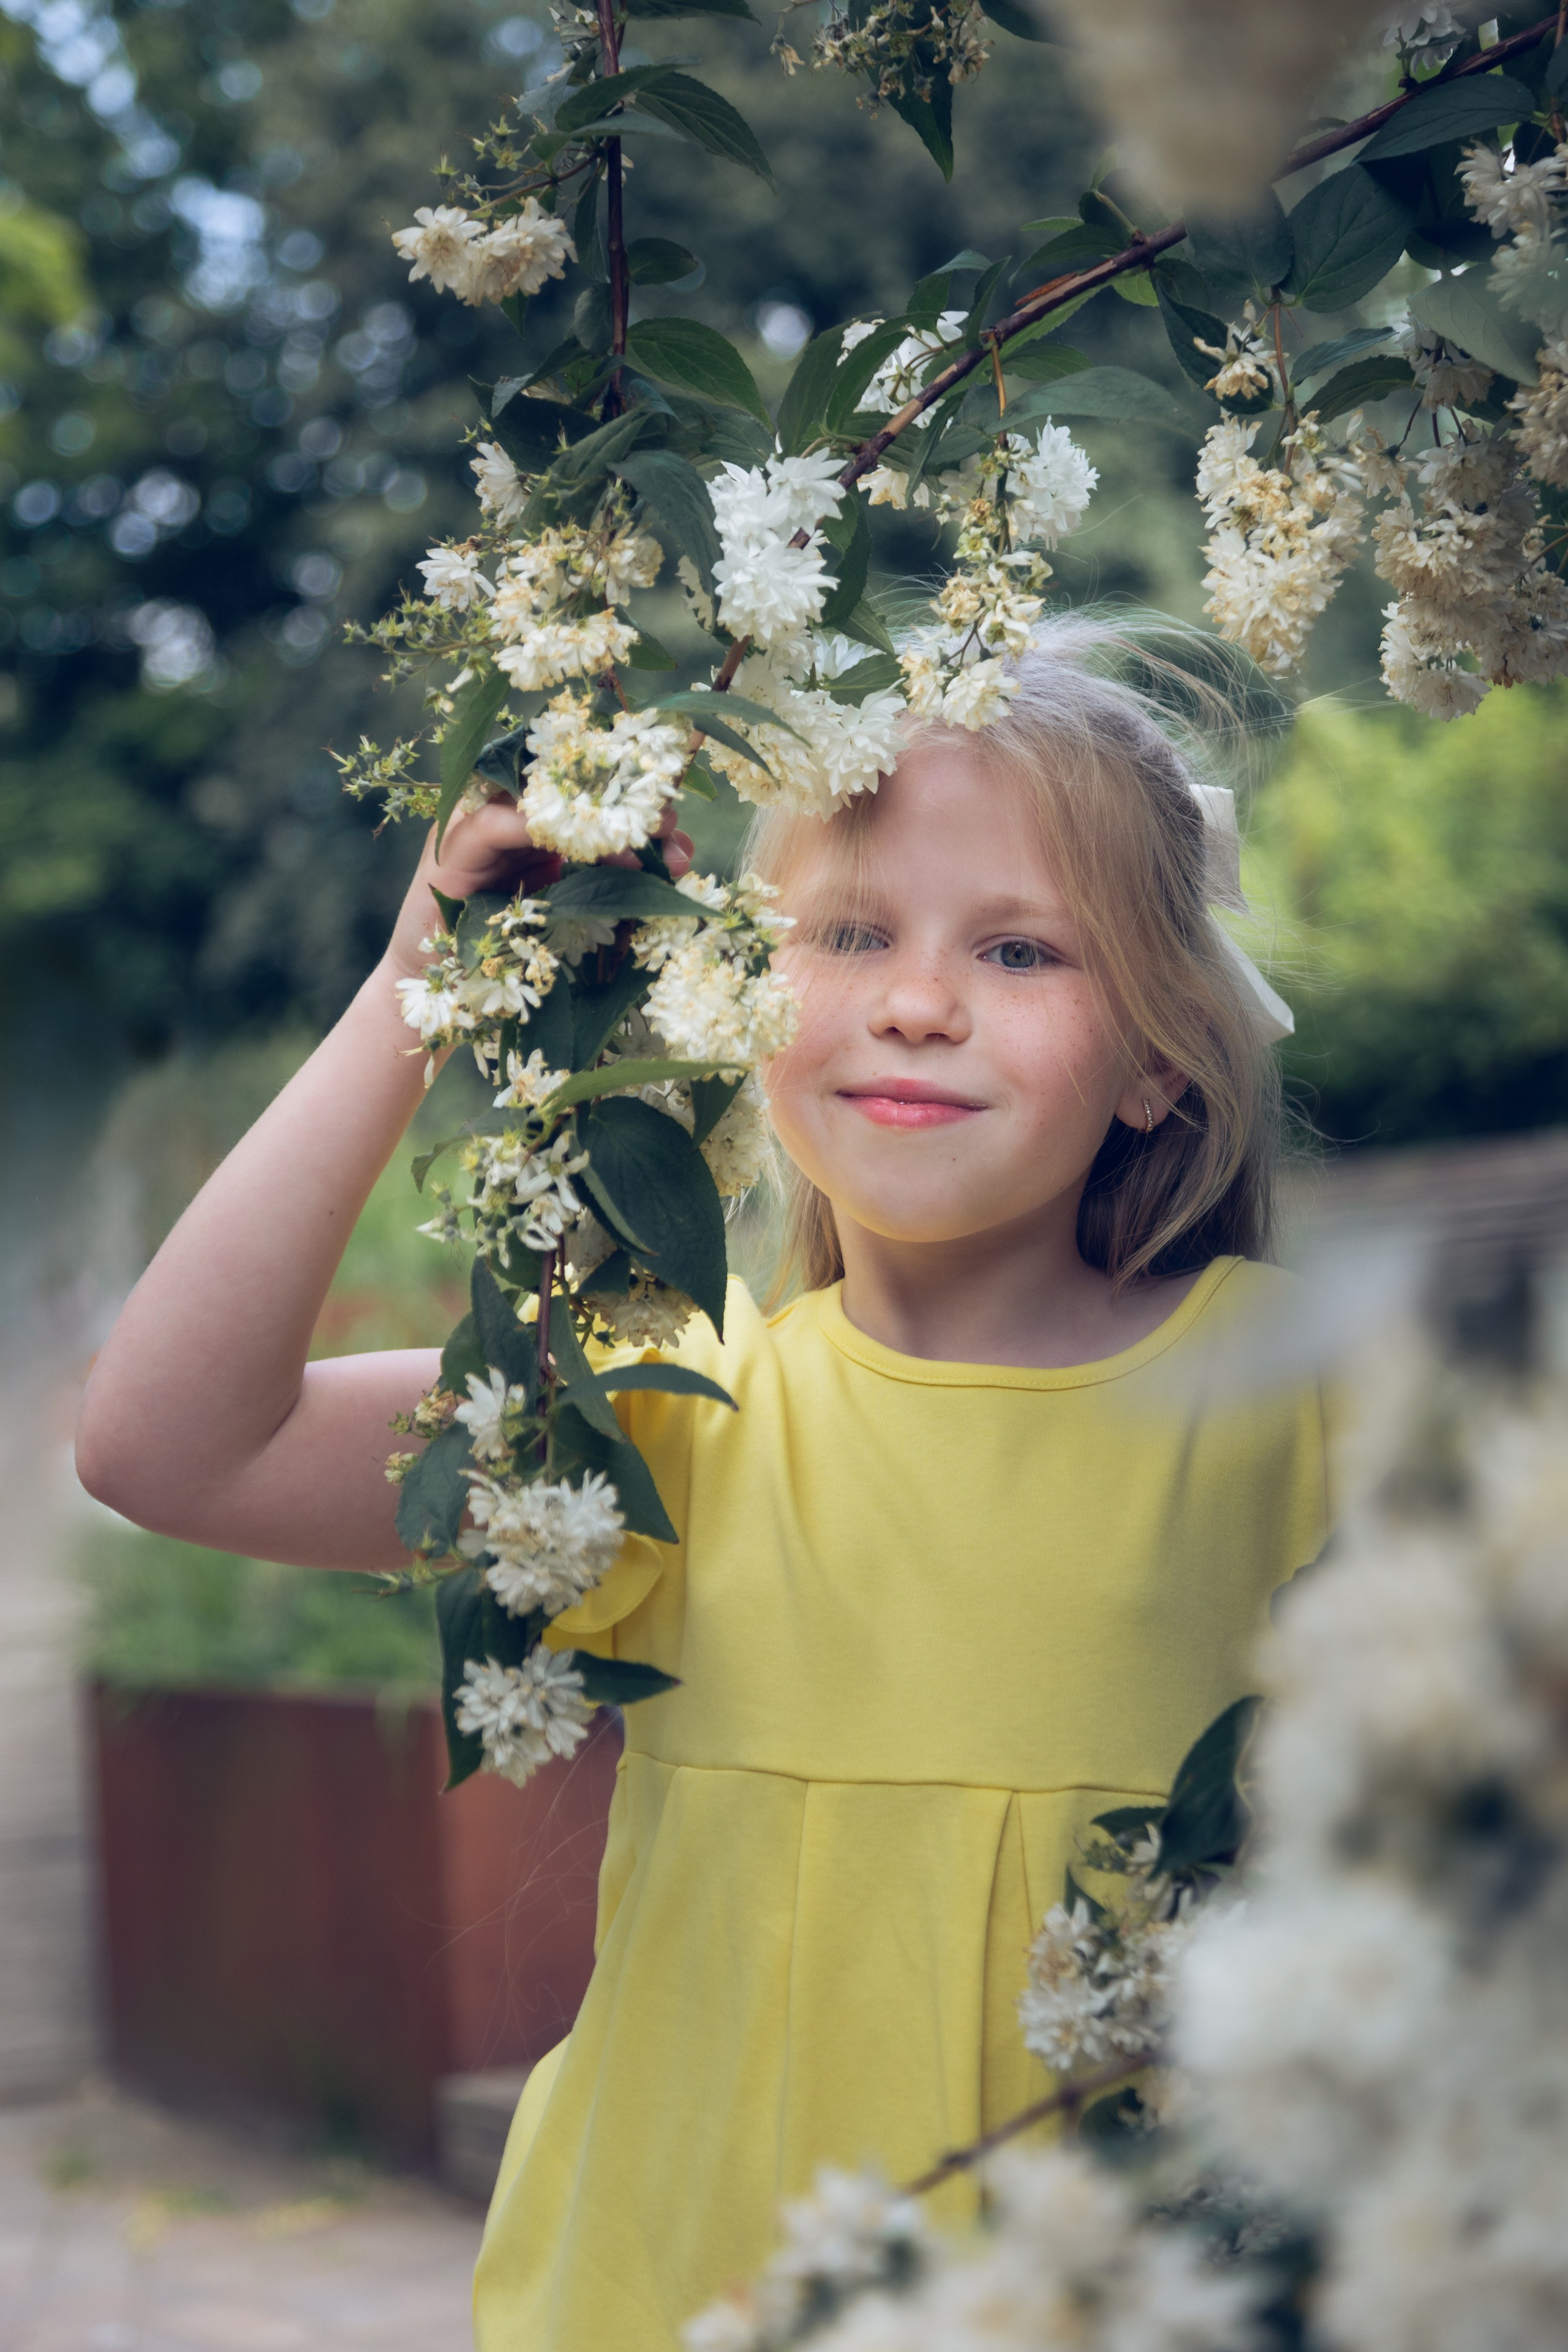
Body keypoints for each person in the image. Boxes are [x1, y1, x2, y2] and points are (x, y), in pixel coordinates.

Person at [77, 617, 1329, 2352]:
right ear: (740, 999)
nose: (915, 999)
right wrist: (421, 994)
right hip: (671, 2304)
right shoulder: (666, 1395)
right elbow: (166, 1443)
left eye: (1023, 950)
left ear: (1161, 1061)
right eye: (848, 933)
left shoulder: (1295, 1396)